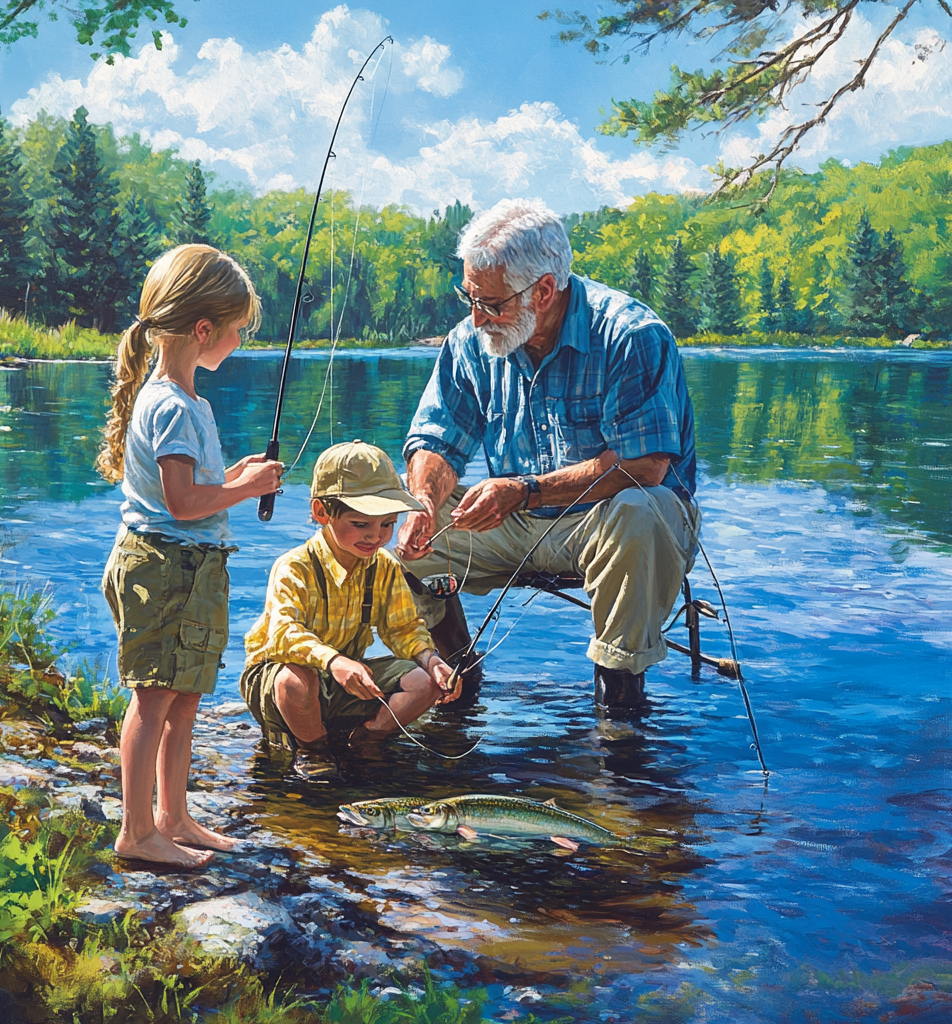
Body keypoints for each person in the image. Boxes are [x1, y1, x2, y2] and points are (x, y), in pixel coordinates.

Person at [396, 198, 700, 710]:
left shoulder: (631, 335)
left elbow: (645, 466)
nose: (476, 316)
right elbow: (436, 441)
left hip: (611, 521)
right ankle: (457, 676)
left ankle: (619, 705)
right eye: (469, 297)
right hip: (515, 519)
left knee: (641, 510)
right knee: (389, 522)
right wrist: (424, 504)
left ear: (544, 289)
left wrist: (525, 491)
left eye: (491, 304)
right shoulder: (472, 341)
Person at [99, 244, 282, 868]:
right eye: (234, 332)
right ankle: (136, 830)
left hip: (190, 566)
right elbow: (180, 503)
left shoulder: (183, 399)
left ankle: (173, 817)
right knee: (154, 697)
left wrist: (233, 475)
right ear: (203, 330)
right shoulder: (172, 403)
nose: (236, 343)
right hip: (163, 567)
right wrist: (247, 488)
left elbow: (190, 485)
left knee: (184, 697)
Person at [240, 440, 460, 782]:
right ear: (321, 512)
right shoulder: (294, 566)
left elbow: (403, 628)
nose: (375, 536)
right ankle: (313, 748)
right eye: (360, 524)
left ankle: (367, 739)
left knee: (424, 683)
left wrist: (432, 661)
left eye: (387, 524)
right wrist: (334, 660)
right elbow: (283, 633)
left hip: (343, 676)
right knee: (296, 679)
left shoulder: (383, 565)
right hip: (280, 680)